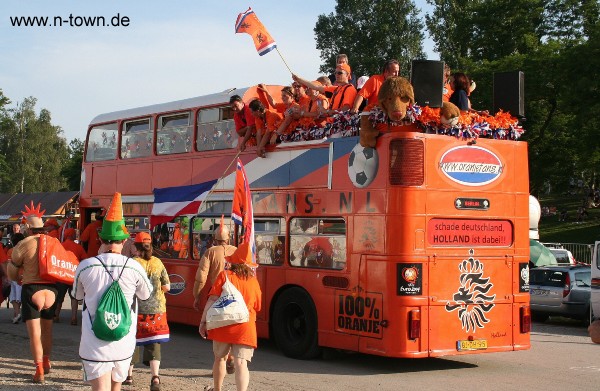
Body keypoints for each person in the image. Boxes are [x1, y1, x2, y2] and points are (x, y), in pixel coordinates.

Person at [73, 193, 152, 391]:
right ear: (124, 241)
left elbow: (77, 296)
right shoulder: (134, 267)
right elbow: (145, 295)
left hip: (94, 343)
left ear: (100, 238)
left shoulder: (85, 266)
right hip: (123, 340)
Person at [6, 202, 58, 384]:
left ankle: (39, 371)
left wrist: (17, 276)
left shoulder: (24, 244)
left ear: (28, 227)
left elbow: (12, 271)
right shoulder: (54, 242)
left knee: (35, 334)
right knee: (48, 331)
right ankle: (47, 361)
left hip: (32, 288)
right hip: (51, 289)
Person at [199, 242, 261, 391]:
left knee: (220, 358)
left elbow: (212, 299)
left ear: (233, 261)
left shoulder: (224, 276)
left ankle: (218, 389)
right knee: (241, 363)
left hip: (223, 323)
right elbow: (258, 306)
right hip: (245, 327)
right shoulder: (253, 281)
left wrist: (203, 322)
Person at [124, 232, 170, 390]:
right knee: (154, 342)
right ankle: (155, 378)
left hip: (136, 309)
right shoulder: (158, 262)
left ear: (135, 246)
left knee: (132, 341)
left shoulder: (131, 263)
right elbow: (167, 287)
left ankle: (128, 376)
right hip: (157, 309)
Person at [193, 220, 237, 374]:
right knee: (231, 326)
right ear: (229, 237)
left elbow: (201, 277)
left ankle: (220, 362)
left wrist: (197, 295)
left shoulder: (210, 252)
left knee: (217, 330)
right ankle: (230, 355)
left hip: (216, 296)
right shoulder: (236, 251)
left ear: (214, 239)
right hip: (234, 296)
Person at [293, 63, 357, 118]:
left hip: (341, 125)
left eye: (340, 73)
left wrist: (327, 111)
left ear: (347, 75)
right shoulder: (336, 88)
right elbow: (316, 87)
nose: (336, 75)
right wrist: (299, 79)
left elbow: (346, 109)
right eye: (335, 73)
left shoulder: (349, 89)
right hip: (333, 123)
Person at [54, 228, 87, 326]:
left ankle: (56, 315)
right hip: (74, 275)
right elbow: (85, 259)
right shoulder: (78, 247)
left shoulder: (60, 246)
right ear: (73, 236)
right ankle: (73, 318)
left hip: (62, 275)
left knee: (59, 297)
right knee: (74, 297)